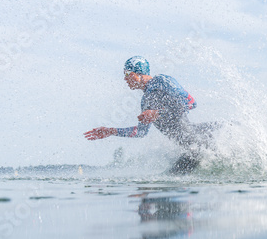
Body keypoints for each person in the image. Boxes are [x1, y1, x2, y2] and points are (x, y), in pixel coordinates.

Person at [84, 56, 217, 174]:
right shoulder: (146, 101)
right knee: (161, 184)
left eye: (127, 73)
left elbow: (191, 103)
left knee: (163, 186)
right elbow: (140, 132)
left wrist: (158, 112)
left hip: (198, 146)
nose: (125, 78)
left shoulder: (162, 81)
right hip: (189, 151)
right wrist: (111, 131)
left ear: (139, 72)